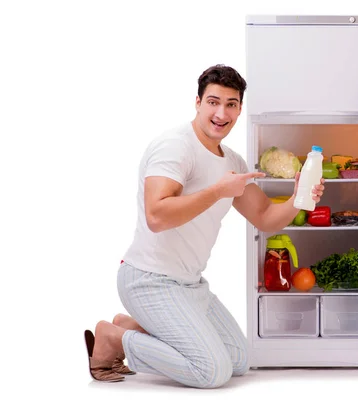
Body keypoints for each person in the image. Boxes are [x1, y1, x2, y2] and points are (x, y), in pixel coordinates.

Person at [84, 64, 325, 388]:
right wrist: (216, 191)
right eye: (213, 101)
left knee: (238, 360)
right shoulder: (175, 147)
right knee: (211, 371)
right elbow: (157, 216)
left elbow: (265, 215)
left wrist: (297, 199)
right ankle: (113, 337)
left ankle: (133, 326)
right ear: (197, 102)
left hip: (190, 284)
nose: (221, 113)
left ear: (239, 109)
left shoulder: (232, 161)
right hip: (148, 280)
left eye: (231, 104)